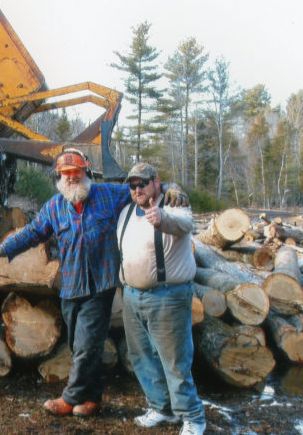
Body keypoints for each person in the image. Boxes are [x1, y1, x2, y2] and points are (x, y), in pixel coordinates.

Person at [0, 148, 187, 418]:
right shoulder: (54, 207)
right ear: (59, 178)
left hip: (100, 285)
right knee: (81, 347)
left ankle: (71, 396)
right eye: (66, 174)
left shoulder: (107, 195)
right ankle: (92, 398)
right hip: (71, 286)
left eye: (76, 172)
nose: (72, 178)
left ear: (86, 172)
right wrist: (0, 250)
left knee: (87, 344)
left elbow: (142, 189)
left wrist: (171, 187)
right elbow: (31, 234)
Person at [117, 162, 206, 435]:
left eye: (143, 183)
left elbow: (185, 223)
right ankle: (161, 408)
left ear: (157, 182)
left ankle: (193, 417)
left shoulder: (174, 205)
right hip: (132, 296)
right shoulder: (126, 212)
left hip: (167, 297)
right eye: (132, 185)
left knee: (175, 360)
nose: (137, 189)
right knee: (142, 356)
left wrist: (162, 219)